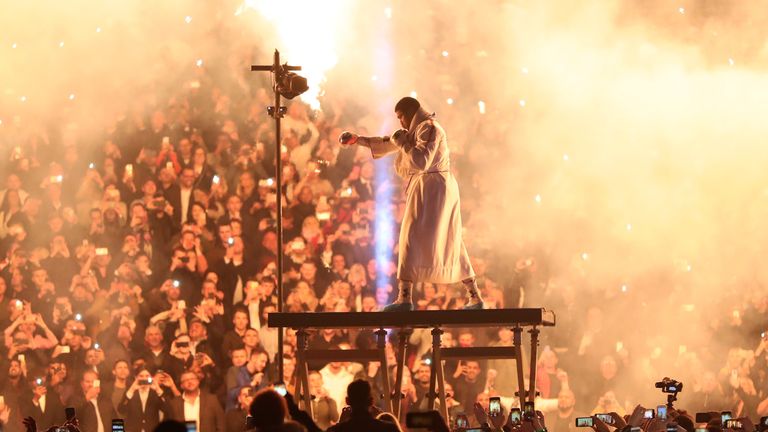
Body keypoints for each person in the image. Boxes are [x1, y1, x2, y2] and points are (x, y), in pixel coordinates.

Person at [339, 97, 483, 311]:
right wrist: (358, 140)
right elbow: (388, 142)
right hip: (427, 187)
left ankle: (405, 298)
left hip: (435, 188)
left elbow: (421, 161)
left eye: (401, 117)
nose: (401, 123)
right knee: (442, 238)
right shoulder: (418, 129)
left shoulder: (431, 128)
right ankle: (474, 296)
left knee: (416, 235)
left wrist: (403, 142)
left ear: (410, 113)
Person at [326, 379, 400, 432]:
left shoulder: (335, 430)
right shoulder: (389, 429)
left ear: (347, 401)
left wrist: (341, 422)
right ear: (371, 401)